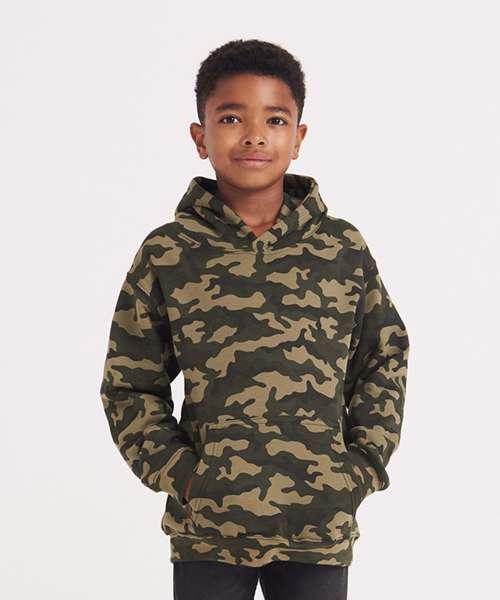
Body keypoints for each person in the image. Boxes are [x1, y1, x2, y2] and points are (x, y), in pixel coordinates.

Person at [99, 38, 410, 600]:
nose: (254, 135)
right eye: (230, 118)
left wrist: (361, 468)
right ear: (200, 137)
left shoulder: (341, 248)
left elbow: (382, 358)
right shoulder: (169, 252)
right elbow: (130, 385)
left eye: (275, 119)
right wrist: (183, 477)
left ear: (299, 137)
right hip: (208, 531)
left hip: (318, 527)